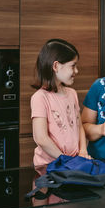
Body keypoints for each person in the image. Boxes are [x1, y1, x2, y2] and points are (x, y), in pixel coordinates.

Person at [31, 39, 90, 167]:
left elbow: (79, 126)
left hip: (72, 163)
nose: (76, 71)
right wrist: (64, 159)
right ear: (56, 66)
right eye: (73, 66)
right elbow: (41, 138)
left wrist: (83, 151)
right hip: (49, 166)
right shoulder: (40, 97)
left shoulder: (72, 93)